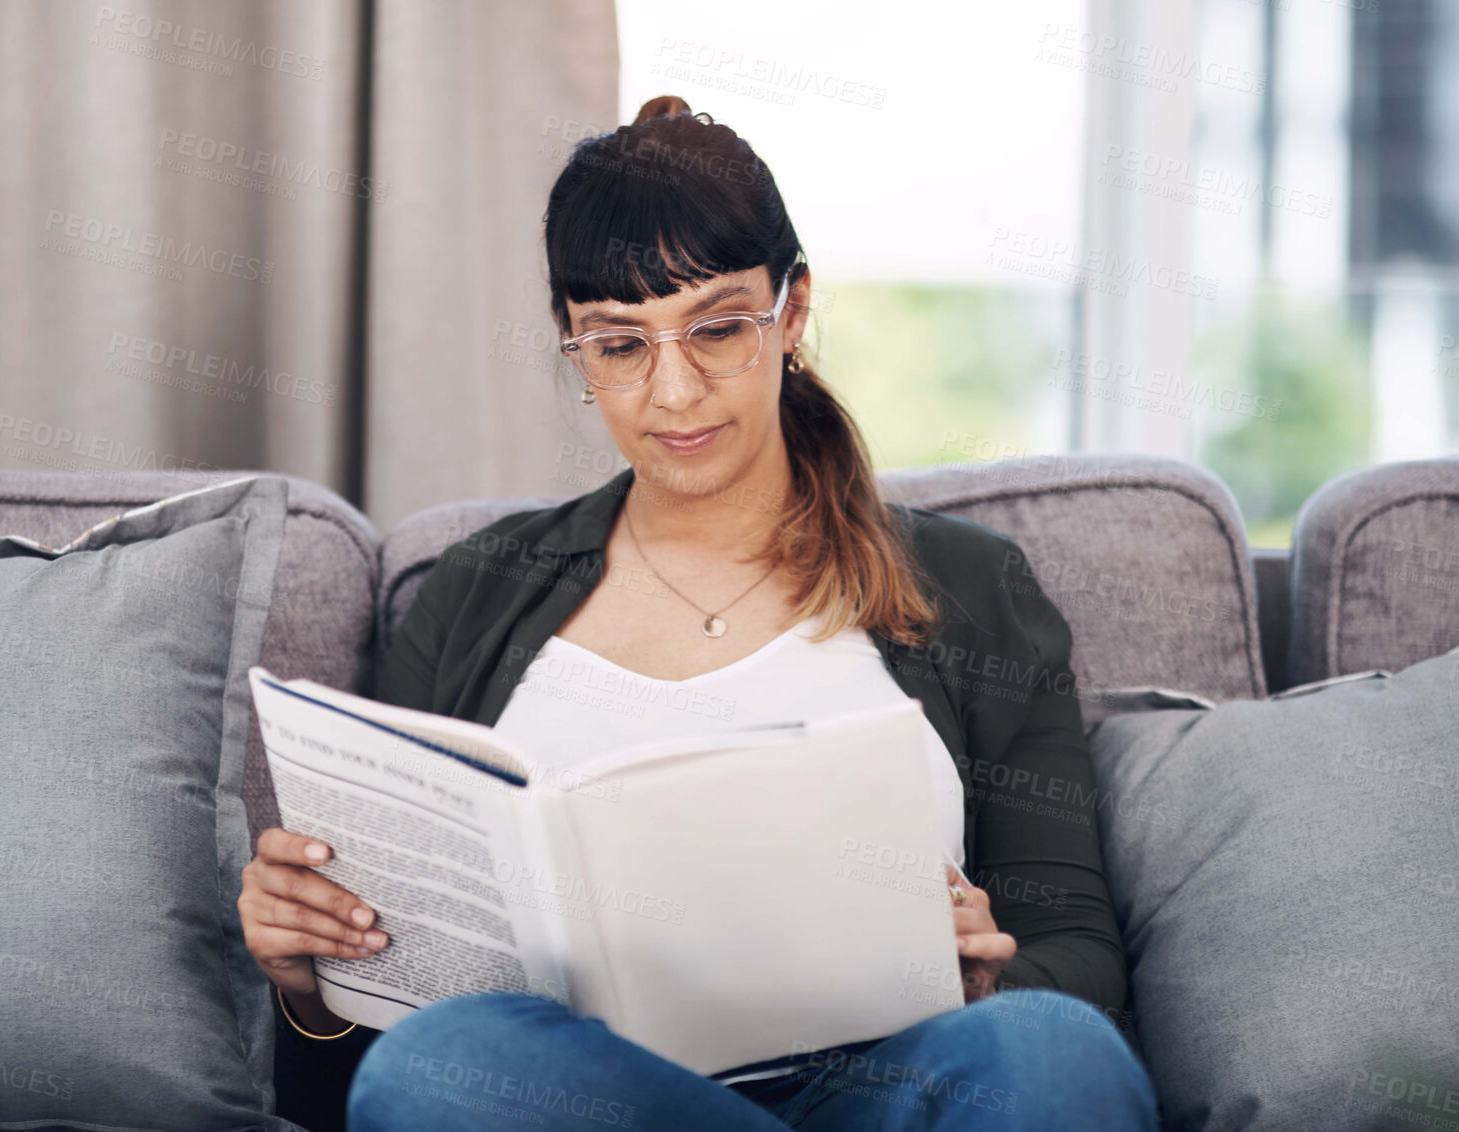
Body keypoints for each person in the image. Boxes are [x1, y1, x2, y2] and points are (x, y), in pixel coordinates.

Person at [239, 95, 1161, 1131]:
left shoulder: (971, 588)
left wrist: (995, 970)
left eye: (717, 329)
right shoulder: (474, 590)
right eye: (619, 345)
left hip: (889, 1093)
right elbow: (364, 1073)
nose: (673, 392)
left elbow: (1081, 961)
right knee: (445, 1065)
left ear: (794, 307)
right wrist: (306, 981)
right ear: (571, 348)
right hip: (591, 1099)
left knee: (1046, 1048)